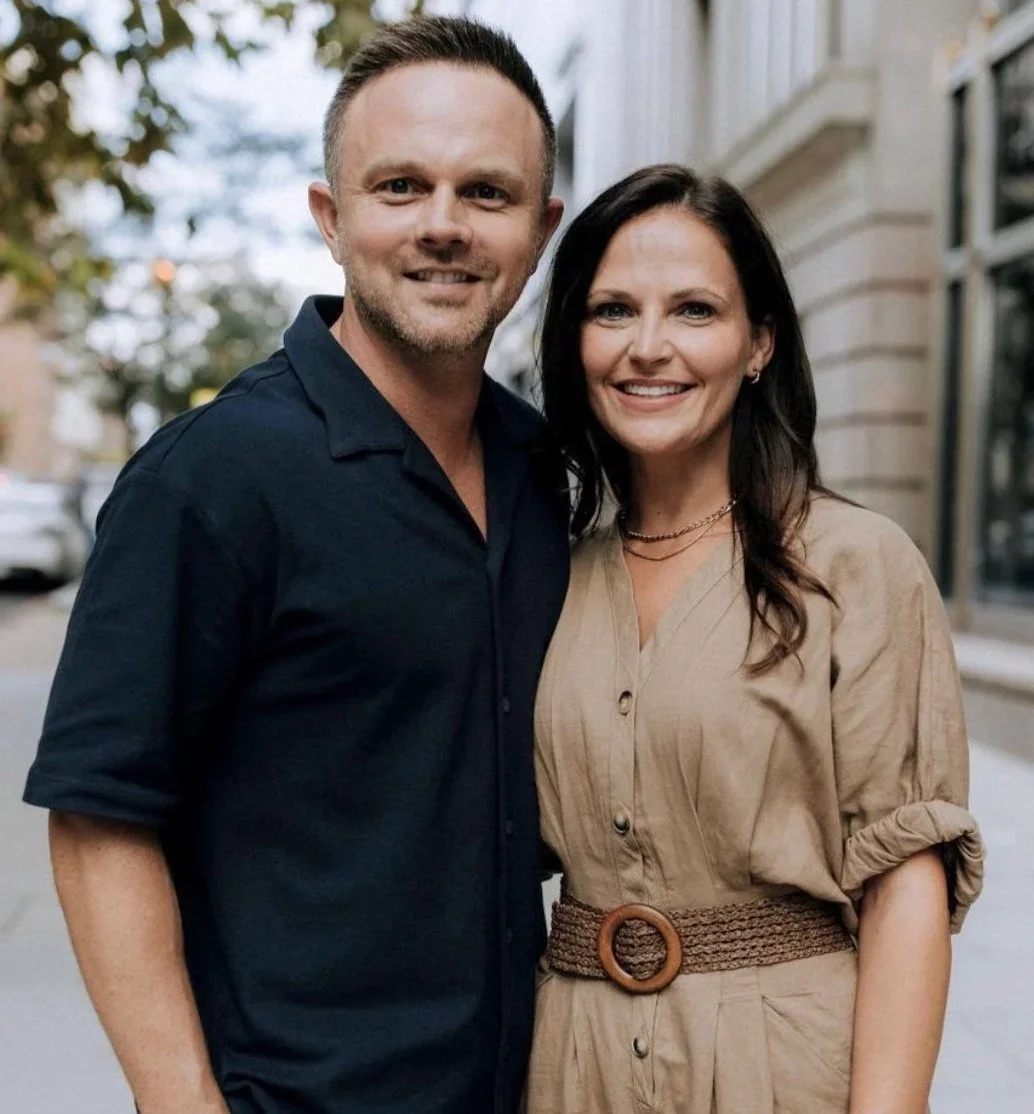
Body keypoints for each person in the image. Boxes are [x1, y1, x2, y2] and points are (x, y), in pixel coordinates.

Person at [23, 17, 567, 1114]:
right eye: (400, 186)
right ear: (331, 217)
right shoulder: (212, 476)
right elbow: (97, 819)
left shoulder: (542, 470)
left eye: (487, 193)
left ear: (541, 228)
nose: (443, 227)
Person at [527, 164, 985, 1113]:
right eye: (612, 310)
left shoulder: (857, 564)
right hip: (573, 1066)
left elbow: (906, 886)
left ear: (759, 343)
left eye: (695, 311)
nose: (648, 348)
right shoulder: (541, 574)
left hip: (783, 1068)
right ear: (574, 340)